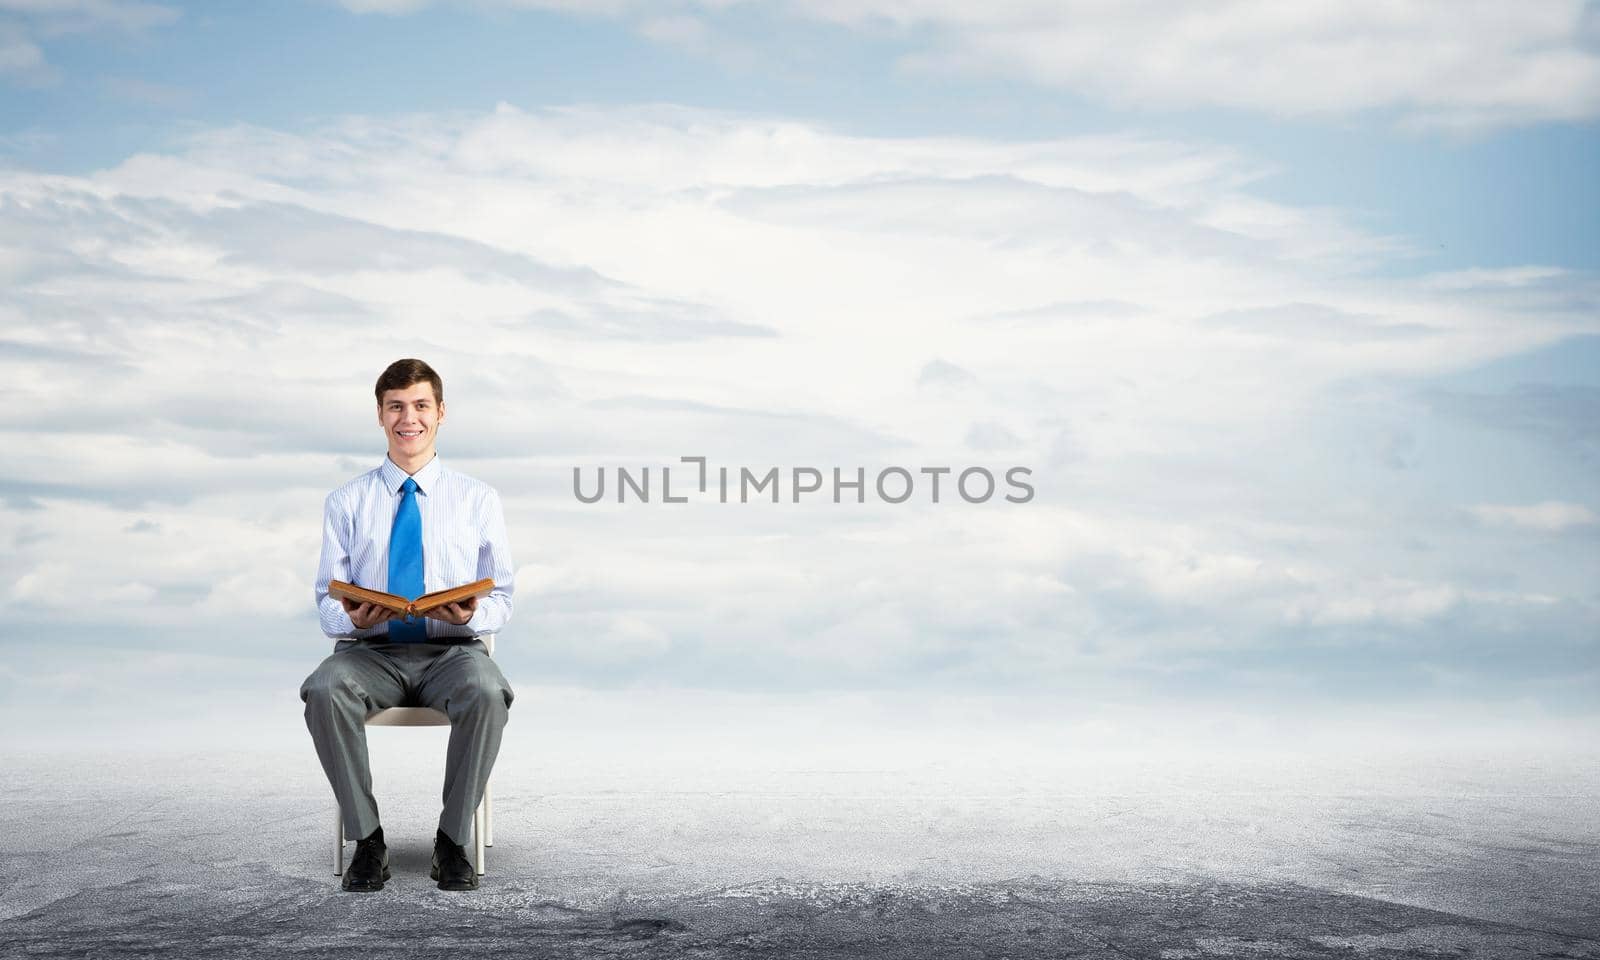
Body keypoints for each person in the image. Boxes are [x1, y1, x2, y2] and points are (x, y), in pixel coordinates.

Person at [300, 358, 515, 892]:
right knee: (324, 689)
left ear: (440, 413)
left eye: (420, 405)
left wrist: (472, 614)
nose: (408, 418)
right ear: (380, 415)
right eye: (396, 406)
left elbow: (503, 596)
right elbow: (326, 601)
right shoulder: (346, 501)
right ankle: (368, 841)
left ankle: (451, 840)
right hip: (370, 654)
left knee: (489, 692)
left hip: (454, 652)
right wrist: (349, 614)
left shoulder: (478, 499)